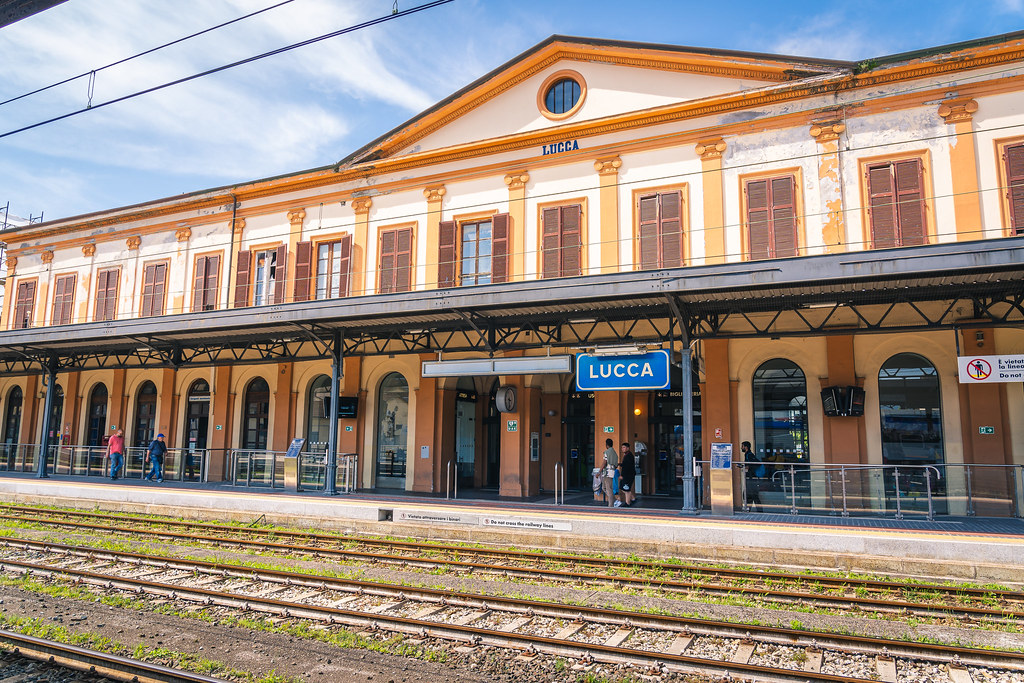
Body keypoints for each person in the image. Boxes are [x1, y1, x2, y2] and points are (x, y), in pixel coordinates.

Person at [601, 438, 619, 508]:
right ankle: (615, 501)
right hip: (612, 471)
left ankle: (611, 505)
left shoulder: (607, 452)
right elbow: (616, 464)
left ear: (606, 445)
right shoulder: (615, 453)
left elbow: (604, 463)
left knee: (608, 489)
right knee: (604, 487)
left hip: (607, 472)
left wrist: (599, 471)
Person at [619, 442, 636, 507]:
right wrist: (620, 464)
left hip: (628, 475)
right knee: (622, 488)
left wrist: (622, 475)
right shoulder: (626, 455)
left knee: (626, 489)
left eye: (624, 447)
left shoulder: (629, 455)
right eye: (622, 447)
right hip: (628, 475)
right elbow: (625, 464)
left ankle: (628, 503)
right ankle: (633, 499)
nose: (622, 449)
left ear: (628, 448)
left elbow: (627, 467)